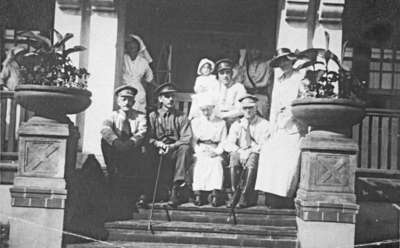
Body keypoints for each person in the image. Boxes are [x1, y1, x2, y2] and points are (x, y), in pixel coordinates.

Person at [255, 48, 307, 208]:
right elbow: (275, 106)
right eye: (280, 62)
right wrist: (272, 127)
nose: (283, 64)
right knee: (269, 153)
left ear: (291, 60)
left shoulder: (299, 78)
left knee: (288, 160)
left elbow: (303, 101)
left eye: (285, 60)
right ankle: (272, 195)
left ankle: (285, 197)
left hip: (294, 124)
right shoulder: (280, 80)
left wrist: (291, 115)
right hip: (279, 125)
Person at [100, 85, 147, 219]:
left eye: (129, 99)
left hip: (132, 150)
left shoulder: (139, 116)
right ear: (118, 101)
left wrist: (130, 143)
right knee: (105, 141)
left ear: (133, 101)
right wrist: (116, 142)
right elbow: (105, 129)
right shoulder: (112, 115)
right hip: (116, 150)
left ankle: (134, 197)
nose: (126, 102)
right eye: (123, 99)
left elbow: (142, 132)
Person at [148, 83, 193, 207]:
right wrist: (158, 144)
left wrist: (172, 146)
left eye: (172, 96)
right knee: (146, 152)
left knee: (185, 148)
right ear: (160, 99)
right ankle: (148, 192)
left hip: (175, 149)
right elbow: (148, 137)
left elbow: (186, 138)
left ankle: (176, 188)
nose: (171, 99)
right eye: (167, 96)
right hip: (158, 149)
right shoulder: (153, 116)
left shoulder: (181, 117)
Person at [224, 94, 270, 208]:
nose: (248, 111)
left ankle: (245, 196)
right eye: (245, 108)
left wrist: (249, 152)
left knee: (253, 158)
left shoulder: (264, 124)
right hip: (241, 152)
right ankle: (235, 194)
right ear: (241, 110)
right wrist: (239, 151)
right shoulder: (237, 124)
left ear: (256, 108)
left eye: (251, 108)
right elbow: (228, 143)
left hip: (256, 154)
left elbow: (265, 144)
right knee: (233, 157)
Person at [191, 93, 227, 206]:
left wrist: (216, 152)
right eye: (203, 110)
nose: (206, 112)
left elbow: (224, 141)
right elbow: (193, 141)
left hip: (214, 148)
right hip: (201, 148)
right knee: (199, 163)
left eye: (208, 109)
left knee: (216, 163)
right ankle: (198, 193)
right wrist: (198, 150)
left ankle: (215, 193)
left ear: (213, 108)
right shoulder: (195, 122)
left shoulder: (221, 122)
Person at [233, 48, 274, 119]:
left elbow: (270, 84)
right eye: (252, 49)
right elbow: (238, 81)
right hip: (248, 96)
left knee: (261, 120)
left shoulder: (267, 65)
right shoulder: (245, 66)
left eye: (257, 49)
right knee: (247, 119)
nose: (254, 52)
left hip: (261, 97)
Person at [122, 34, 154, 113]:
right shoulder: (122, 58)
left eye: (134, 48)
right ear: (126, 48)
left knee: (138, 116)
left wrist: (159, 87)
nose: (132, 50)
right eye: (130, 48)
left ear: (138, 49)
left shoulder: (143, 62)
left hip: (139, 92)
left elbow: (150, 78)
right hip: (124, 90)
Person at [214, 58, 247, 127]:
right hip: (217, 120)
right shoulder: (215, 87)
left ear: (232, 73)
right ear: (218, 75)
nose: (225, 76)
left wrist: (224, 115)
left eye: (227, 72)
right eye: (222, 73)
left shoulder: (239, 87)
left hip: (233, 120)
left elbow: (240, 109)